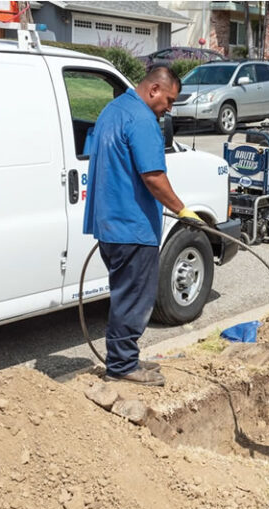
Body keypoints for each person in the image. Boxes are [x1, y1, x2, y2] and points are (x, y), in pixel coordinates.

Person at [83, 67, 202, 386]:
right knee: (135, 298)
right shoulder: (143, 120)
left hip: (109, 224)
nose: (169, 108)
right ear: (154, 90)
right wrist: (183, 210)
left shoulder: (114, 110)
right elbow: (153, 177)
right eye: (169, 100)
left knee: (125, 295)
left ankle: (126, 358)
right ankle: (122, 366)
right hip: (132, 227)